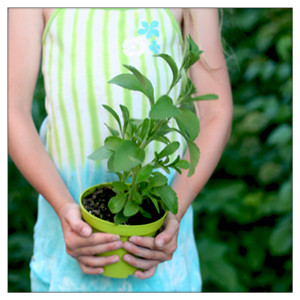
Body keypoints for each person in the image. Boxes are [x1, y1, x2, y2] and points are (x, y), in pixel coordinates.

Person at [8, 8, 232, 292]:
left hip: (160, 268)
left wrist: (173, 209)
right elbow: (11, 109)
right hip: (66, 265)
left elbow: (216, 111)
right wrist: (64, 207)